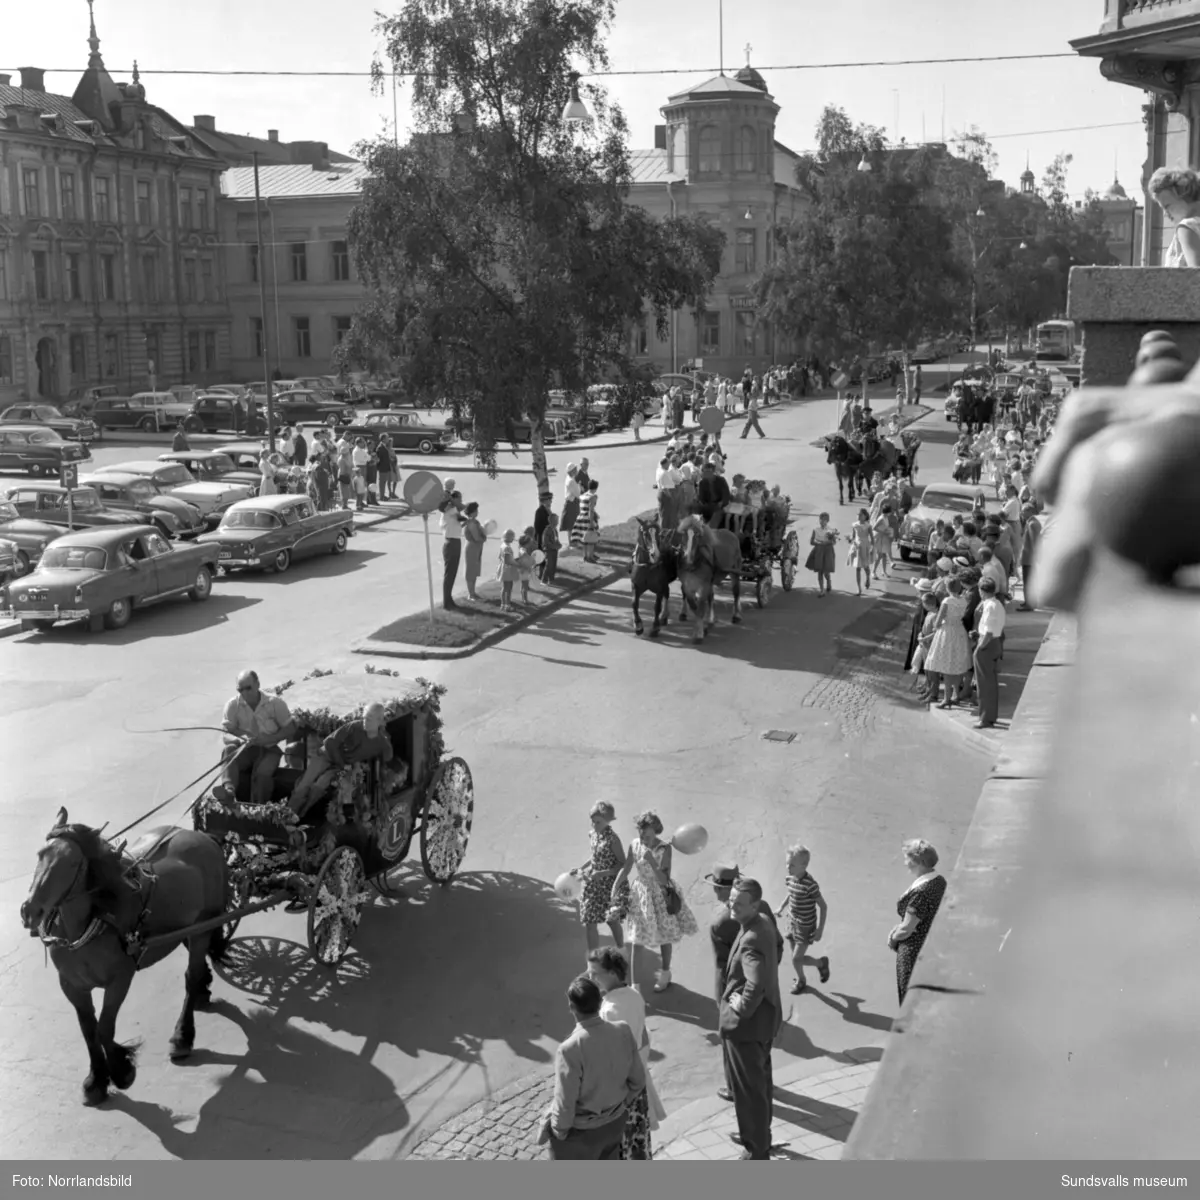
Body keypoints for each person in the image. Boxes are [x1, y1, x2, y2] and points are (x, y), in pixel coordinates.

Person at [541, 976, 646, 1160]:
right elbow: (638, 1080)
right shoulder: (623, 1031)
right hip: (614, 1125)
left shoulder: (570, 1049)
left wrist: (559, 1132)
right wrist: (620, 1108)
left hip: (582, 1134)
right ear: (600, 1002)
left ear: (572, 1008)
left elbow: (565, 1103)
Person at [719, 878, 783, 1160]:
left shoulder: (752, 939)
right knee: (760, 1085)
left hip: (746, 1028)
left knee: (749, 1093)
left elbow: (754, 984)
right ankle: (759, 1138)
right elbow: (779, 947)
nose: (732, 904)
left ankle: (755, 1150)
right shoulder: (765, 921)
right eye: (732, 898)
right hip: (765, 1021)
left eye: (739, 902)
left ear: (754, 905)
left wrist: (741, 1006)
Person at [587, 947, 666, 1160]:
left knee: (623, 1148)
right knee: (639, 1144)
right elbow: (643, 1038)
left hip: (621, 1094)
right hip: (637, 1085)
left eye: (595, 973)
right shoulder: (634, 995)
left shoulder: (610, 1010)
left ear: (612, 974)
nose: (591, 978)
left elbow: (612, 1058)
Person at [609, 810, 698, 993]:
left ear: (655, 832)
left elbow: (664, 880)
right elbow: (626, 868)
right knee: (637, 939)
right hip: (640, 896)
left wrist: (652, 861)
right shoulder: (635, 845)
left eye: (647, 834)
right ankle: (635, 987)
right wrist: (615, 887)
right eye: (640, 833)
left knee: (665, 935)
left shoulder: (664, 849)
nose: (643, 837)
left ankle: (665, 973)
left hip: (660, 895)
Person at [287, 702, 394, 818]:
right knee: (304, 785)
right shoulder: (353, 727)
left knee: (320, 785)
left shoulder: (382, 742)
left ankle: (302, 814)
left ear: (379, 721)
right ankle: (287, 815)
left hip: (343, 767)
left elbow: (387, 757)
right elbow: (329, 743)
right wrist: (343, 764)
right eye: (364, 718)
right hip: (326, 756)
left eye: (369, 719)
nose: (364, 722)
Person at [217, 670, 297, 807]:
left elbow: (290, 729)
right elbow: (225, 734)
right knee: (228, 750)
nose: (245, 693)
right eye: (240, 689)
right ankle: (229, 792)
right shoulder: (232, 705)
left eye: (248, 688)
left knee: (262, 773)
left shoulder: (275, 703)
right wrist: (239, 740)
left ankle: (259, 807)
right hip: (246, 750)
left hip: (270, 749)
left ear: (258, 684)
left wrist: (269, 738)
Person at [890, 840, 948, 1005]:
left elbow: (907, 928)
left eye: (907, 859)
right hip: (930, 945)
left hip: (912, 952)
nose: (905, 863)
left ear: (920, 862)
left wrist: (893, 939)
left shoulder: (920, 893)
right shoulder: (939, 881)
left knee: (908, 997)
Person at [572, 802, 626, 953]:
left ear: (608, 821)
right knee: (590, 922)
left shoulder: (613, 840)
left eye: (598, 822)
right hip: (593, 884)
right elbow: (595, 856)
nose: (594, 825)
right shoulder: (593, 834)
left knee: (612, 921)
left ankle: (621, 950)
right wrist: (581, 868)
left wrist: (603, 873)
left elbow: (623, 864)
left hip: (609, 886)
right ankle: (593, 960)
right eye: (593, 821)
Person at [780, 844, 829, 995]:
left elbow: (823, 906)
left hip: (805, 926)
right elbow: (791, 893)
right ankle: (818, 965)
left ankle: (804, 978)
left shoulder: (810, 885)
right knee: (795, 956)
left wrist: (820, 930)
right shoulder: (790, 878)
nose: (788, 867)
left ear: (804, 866)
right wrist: (781, 907)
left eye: (792, 865)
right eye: (787, 863)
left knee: (796, 959)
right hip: (791, 921)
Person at [924, 577, 973, 708]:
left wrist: (937, 625)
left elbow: (938, 620)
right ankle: (956, 694)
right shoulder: (964, 600)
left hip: (947, 632)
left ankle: (946, 698)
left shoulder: (947, 601)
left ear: (947, 588)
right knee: (957, 664)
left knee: (946, 665)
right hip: (960, 631)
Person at [971, 576, 1006, 729]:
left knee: (983, 684)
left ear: (982, 591)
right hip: (994, 643)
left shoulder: (990, 606)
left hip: (987, 644)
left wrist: (979, 648)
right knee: (990, 683)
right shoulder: (997, 604)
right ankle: (989, 715)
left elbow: (989, 632)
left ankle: (985, 718)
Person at [1149, 166, 1200, 267]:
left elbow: (1196, 275)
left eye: (1167, 206)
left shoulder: (1187, 227)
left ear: (1183, 195)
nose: (1165, 214)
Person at [439, 490, 464, 609]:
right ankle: (446, 601)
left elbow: (458, 523)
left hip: (455, 541)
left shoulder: (451, 510)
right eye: (459, 498)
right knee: (449, 574)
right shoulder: (450, 509)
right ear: (453, 499)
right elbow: (460, 518)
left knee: (452, 573)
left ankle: (449, 599)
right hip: (451, 543)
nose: (461, 501)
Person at [805, 512, 838, 596]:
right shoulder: (816, 530)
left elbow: (834, 542)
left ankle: (828, 581)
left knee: (826, 571)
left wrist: (828, 541)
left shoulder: (831, 530)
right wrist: (818, 543)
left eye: (825, 520)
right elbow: (812, 541)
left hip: (827, 551)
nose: (822, 521)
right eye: (821, 519)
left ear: (827, 521)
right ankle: (821, 590)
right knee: (820, 570)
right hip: (819, 551)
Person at [1017, 505, 1042, 611]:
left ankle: (1029, 604)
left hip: (1029, 558)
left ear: (1030, 511)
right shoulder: (1031, 522)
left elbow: (1034, 542)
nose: (1021, 513)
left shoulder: (1032, 524)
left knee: (1028, 581)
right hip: (1027, 557)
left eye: (1023, 511)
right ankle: (1030, 601)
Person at [461, 501, 486, 601]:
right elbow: (476, 537)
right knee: (470, 571)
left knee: (474, 570)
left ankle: (473, 592)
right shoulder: (471, 523)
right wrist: (483, 538)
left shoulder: (475, 522)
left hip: (476, 548)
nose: (477, 512)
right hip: (472, 548)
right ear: (472, 512)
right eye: (476, 510)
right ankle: (470, 594)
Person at [848, 508, 873, 596]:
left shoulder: (868, 526)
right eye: (857, 514)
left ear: (865, 516)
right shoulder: (854, 525)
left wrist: (872, 548)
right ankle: (859, 589)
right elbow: (853, 536)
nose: (858, 516)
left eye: (860, 515)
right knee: (858, 568)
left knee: (865, 566)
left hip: (865, 547)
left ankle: (867, 578)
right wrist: (850, 539)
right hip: (857, 547)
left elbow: (872, 539)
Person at [540, 511, 561, 584]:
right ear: (552, 521)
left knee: (553, 565)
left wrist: (559, 544)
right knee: (549, 564)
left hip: (554, 550)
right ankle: (544, 580)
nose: (557, 522)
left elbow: (556, 539)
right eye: (556, 520)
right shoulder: (547, 530)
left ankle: (551, 579)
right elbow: (546, 541)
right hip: (548, 550)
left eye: (557, 520)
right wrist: (553, 546)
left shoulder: (555, 530)